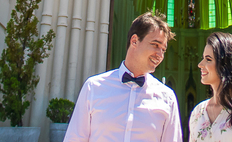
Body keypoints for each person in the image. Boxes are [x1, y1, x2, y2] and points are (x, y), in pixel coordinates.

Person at [63, 11, 181, 142]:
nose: (160, 55)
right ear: (134, 41)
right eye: (155, 45)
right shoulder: (93, 87)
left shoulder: (167, 98)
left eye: (163, 50)